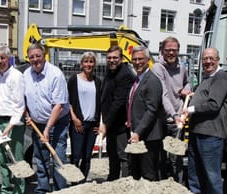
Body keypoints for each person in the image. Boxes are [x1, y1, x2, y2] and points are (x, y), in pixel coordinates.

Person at [180, 48, 227, 194]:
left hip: (211, 133)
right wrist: (194, 94)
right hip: (197, 132)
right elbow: (206, 96)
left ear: (218, 60)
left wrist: (191, 109)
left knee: (211, 172)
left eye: (211, 58)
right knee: (195, 170)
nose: (208, 61)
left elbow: (214, 104)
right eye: (205, 59)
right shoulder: (207, 78)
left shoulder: (221, 77)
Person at [23, 43, 70, 194]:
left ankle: (59, 191)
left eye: (38, 55)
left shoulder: (56, 75)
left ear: (44, 56)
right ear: (28, 58)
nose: (35, 59)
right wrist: (27, 114)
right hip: (37, 123)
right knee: (40, 156)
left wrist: (48, 129)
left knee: (58, 156)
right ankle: (42, 190)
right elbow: (22, 99)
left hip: (57, 123)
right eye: (32, 57)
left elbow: (59, 106)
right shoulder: (26, 75)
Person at [0, 44, 26, 194]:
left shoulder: (16, 76)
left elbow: (19, 104)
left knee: (15, 157)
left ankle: (18, 193)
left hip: (14, 122)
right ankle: (6, 190)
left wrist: (10, 126)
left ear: (9, 58)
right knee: (3, 158)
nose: (0, 61)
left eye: (3, 58)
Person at [151, 37, 191, 182]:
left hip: (178, 120)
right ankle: (162, 187)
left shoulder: (182, 68)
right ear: (162, 51)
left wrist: (186, 90)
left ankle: (177, 188)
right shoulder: (157, 68)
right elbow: (163, 94)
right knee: (161, 157)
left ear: (178, 51)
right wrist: (173, 114)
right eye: (168, 50)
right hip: (162, 120)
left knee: (176, 157)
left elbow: (188, 83)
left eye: (174, 50)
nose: (171, 53)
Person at [127, 45, 165, 181]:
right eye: (134, 59)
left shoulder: (152, 81)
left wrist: (138, 132)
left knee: (148, 174)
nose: (137, 62)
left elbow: (151, 110)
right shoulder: (137, 80)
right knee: (136, 173)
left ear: (148, 60)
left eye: (140, 59)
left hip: (148, 137)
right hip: (138, 134)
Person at [100, 45, 135, 181]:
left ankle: (126, 182)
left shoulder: (125, 74)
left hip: (120, 125)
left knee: (123, 155)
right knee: (112, 155)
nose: (112, 60)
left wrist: (105, 124)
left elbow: (119, 102)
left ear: (121, 58)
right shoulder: (110, 72)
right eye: (109, 58)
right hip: (111, 124)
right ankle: (112, 180)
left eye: (115, 57)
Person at [67, 52, 101, 181]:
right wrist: (74, 119)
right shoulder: (74, 80)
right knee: (76, 156)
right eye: (86, 61)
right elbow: (68, 101)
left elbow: (100, 104)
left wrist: (99, 124)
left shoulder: (97, 82)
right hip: (78, 123)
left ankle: (83, 180)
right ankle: (73, 181)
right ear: (81, 64)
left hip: (92, 124)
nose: (89, 64)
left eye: (91, 61)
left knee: (87, 156)